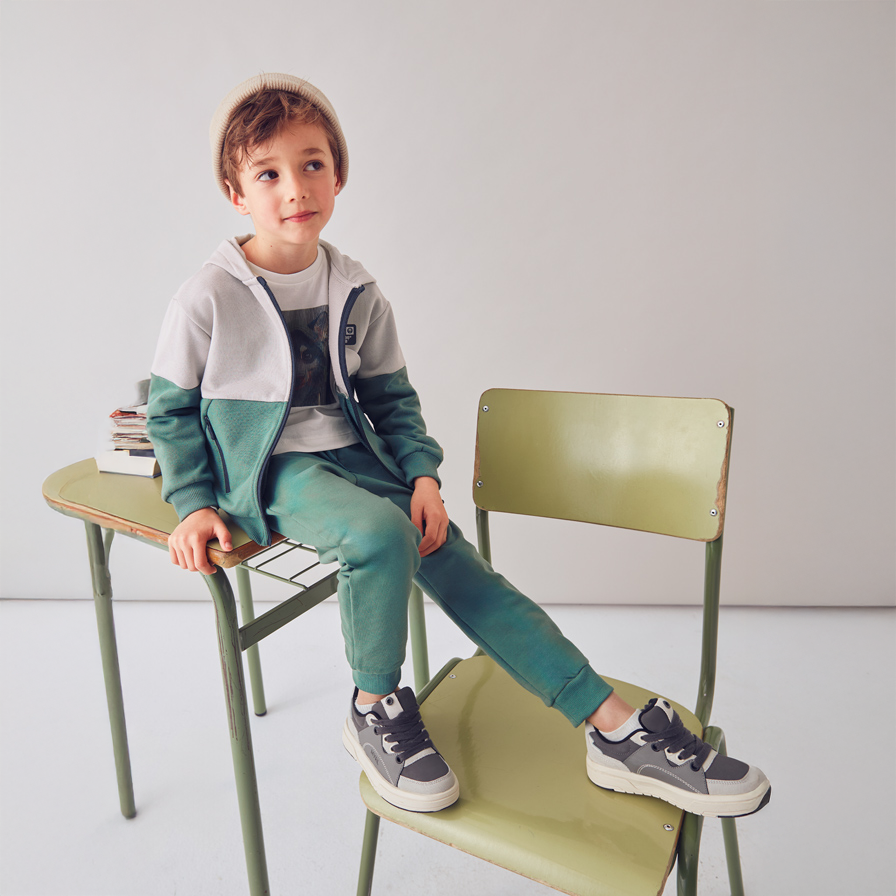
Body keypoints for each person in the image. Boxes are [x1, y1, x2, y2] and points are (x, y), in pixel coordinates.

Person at [147, 72, 771, 819]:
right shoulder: (208, 296)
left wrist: (423, 477)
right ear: (235, 192)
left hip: (361, 459)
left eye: (313, 163)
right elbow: (169, 412)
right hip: (273, 469)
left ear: (338, 174)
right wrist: (192, 503)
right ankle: (372, 708)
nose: (296, 189)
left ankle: (614, 728)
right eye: (269, 174)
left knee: (465, 571)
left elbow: (391, 399)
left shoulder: (356, 289)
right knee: (378, 537)